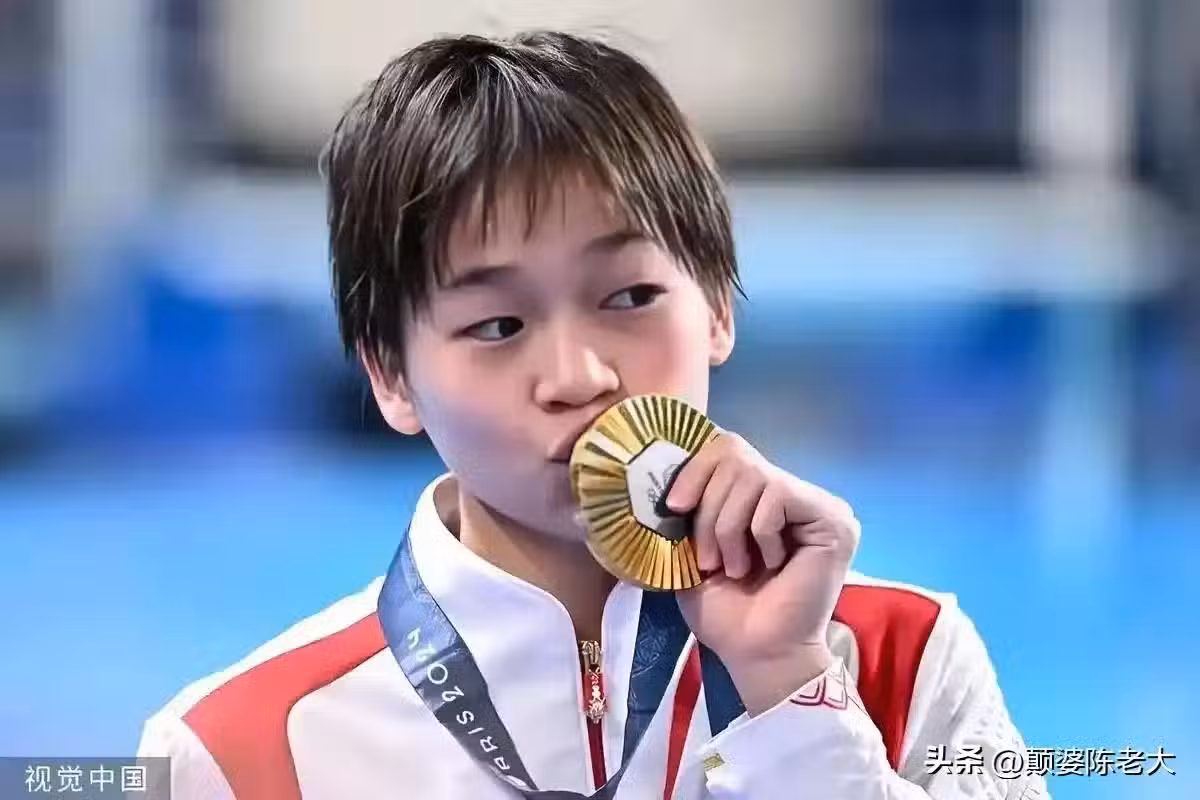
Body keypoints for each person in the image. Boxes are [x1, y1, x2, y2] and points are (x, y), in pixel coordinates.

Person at [137, 31, 1049, 799]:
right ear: (392, 377)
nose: (578, 377)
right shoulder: (235, 753)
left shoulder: (905, 661)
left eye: (630, 297)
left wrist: (788, 689)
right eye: (498, 325)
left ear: (717, 308)